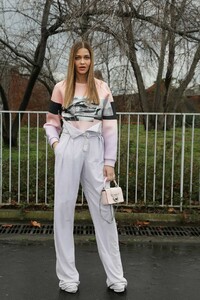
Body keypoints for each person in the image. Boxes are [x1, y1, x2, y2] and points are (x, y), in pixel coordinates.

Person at [43, 41, 127, 294]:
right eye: (78, 57)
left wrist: (109, 162)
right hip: (68, 147)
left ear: (91, 60)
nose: (82, 62)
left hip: (95, 149)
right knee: (63, 211)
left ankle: (115, 276)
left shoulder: (102, 88)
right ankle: (67, 277)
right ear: (72, 60)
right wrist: (57, 146)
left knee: (104, 212)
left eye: (86, 57)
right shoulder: (61, 88)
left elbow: (111, 126)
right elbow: (50, 122)